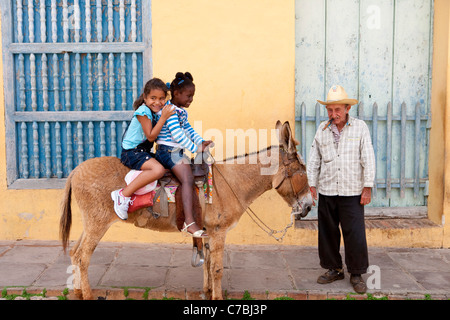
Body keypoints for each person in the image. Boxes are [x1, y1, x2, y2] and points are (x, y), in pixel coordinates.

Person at [307, 85, 376, 294]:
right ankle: (334, 268)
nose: (333, 114)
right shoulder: (322, 129)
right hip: (328, 189)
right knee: (327, 232)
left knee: (354, 233)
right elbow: (314, 159)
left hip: (352, 191)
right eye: (330, 110)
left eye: (338, 110)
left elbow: (368, 158)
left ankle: (356, 273)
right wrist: (312, 184)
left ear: (347, 108)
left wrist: (367, 187)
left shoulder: (360, 127)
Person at [155, 72, 212, 238]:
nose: (191, 99)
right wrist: (195, 149)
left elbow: (188, 130)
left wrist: (201, 142)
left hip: (176, 152)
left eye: (192, 96)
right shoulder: (171, 111)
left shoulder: (180, 111)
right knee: (187, 179)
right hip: (167, 152)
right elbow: (178, 135)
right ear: (176, 94)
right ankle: (189, 222)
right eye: (188, 95)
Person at [111, 78, 175, 220]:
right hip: (132, 152)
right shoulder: (143, 111)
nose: (157, 102)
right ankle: (123, 195)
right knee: (157, 170)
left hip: (142, 151)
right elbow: (151, 136)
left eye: (161, 99)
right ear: (145, 98)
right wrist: (164, 117)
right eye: (153, 98)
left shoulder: (153, 111)